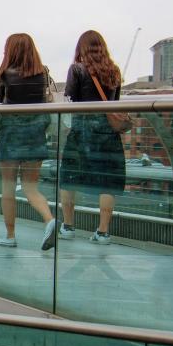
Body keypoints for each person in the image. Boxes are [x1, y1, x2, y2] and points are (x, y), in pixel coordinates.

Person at [59, 30, 126, 245]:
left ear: (81, 48)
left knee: (69, 179)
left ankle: (68, 227)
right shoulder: (114, 71)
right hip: (107, 133)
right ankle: (103, 231)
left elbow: (70, 100)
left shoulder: (76, 69)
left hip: (81, 132)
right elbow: (114, 103)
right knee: (108, 182)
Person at [0, 33, 57, 250]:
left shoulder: (5, 74)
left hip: (12, 134)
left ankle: (10, 236)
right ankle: (49, 219)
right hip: (35, 134)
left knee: (8, 188)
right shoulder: (42, 72)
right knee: (30, 187)